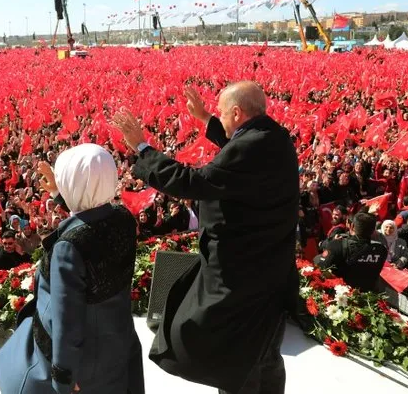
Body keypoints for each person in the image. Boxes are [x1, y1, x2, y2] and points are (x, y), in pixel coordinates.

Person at [113, 82, 299, 394]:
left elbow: (194, 182)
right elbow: (238, 144)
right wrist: (205, 120)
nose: (221, 118)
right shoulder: (275, 137)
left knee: (233, 358)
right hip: (272, 271)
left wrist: (143, 149)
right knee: (264, 351)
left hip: (242, 276)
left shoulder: (250, 147)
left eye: (223, 114)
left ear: (238, 113)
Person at [0, 143, 144, 394]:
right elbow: (92, 215)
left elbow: (67, 322)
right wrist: (58, 195)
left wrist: (64, 377)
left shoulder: (69, 247)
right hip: (117, 341)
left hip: (84, 361)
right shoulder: (123, 218)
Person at [314, 212, 388, 292]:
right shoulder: (381, 249)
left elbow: (320, 265)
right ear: (373, 230)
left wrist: (331, 246)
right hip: (368, 298)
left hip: (343, 297)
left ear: (352, 226)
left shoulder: (338, 244)